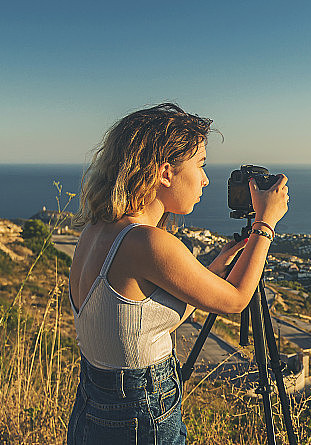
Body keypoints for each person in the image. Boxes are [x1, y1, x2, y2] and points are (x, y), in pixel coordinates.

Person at [66, 103, 288, 445]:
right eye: (200, 165)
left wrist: (211, 272)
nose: (205, 179)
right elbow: (237, 300)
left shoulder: (96, 231)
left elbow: (139, 323)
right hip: (140, 411)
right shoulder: (146, 242)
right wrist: (265, 223)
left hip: (93, 403)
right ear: (165, 173)